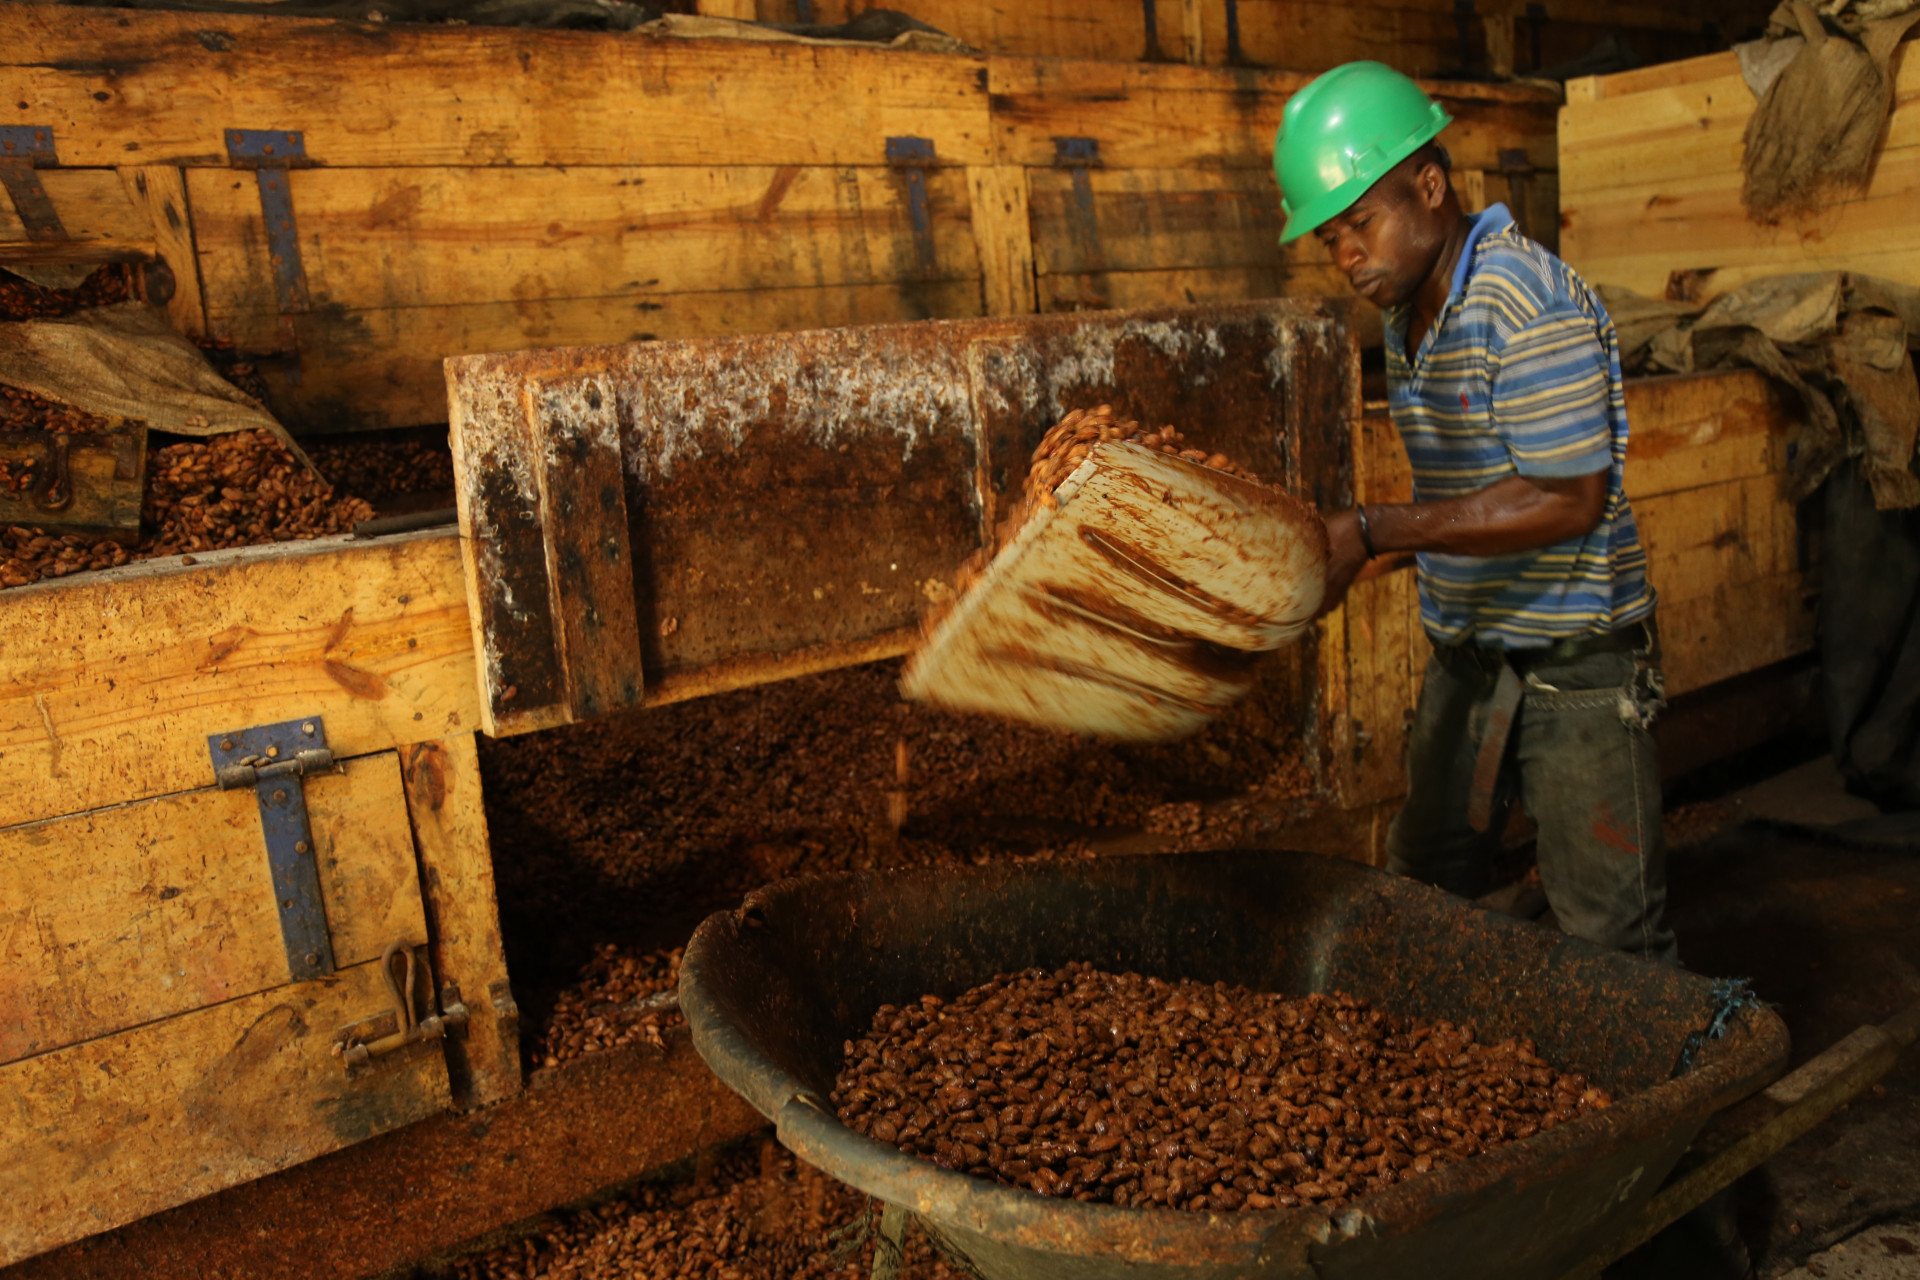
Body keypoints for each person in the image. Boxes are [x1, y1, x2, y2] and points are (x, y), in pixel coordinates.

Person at [1272, 62, 1677, 964]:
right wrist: (1349, 562)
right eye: (1331, 238)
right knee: (1420, 891)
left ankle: (1662, 1058)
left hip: (1574, 666)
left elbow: (1568, 498)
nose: (1348, 256)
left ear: (1430, 187)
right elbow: (1470, 493)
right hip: (1472, 659)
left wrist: (1375, 530)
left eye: (1361, 223)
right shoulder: (1407, 317)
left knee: (1612, 949)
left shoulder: (1521, 302)